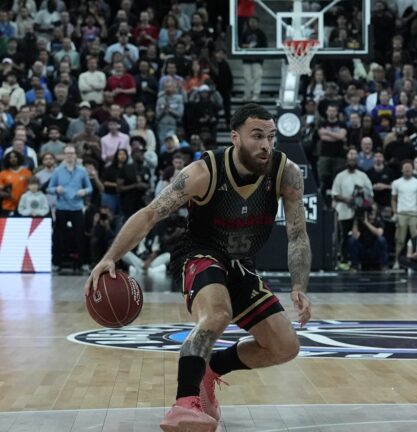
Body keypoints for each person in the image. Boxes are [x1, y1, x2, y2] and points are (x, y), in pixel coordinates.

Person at [85, 104, 312, 431]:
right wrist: (110, 257)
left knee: (285, 346)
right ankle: (184, 402)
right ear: (235, 138)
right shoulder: (203, 172)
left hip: (241, 263)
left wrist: (299, 286)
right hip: (199, 252)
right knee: (217, 314)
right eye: (257, 136)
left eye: (271, 137)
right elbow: (150, 214)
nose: (266, 145)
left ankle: (211, 368)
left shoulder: (285, 172)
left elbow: (297, 232)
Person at [48, 145, 93, 273]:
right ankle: (57, 263)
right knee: (58, 236)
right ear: (64, 155)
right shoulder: (57, 171)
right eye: (67, 153)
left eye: (72, 153)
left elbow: (90, 188)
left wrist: (84, 191)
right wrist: (57, 190)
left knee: (80, 236)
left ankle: (81, 263)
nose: (70, 156)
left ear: (75, 155)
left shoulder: (82, 171)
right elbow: (49, 189)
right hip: (62, 207)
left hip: (77, 207)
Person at [391, 159, 417, 266]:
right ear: (402, 170)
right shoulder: (396, 183)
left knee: (416, 239)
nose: (407, 170)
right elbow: (393, 199)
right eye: (405, 168)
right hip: (401, 213)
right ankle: (397, 261)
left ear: (412, 169)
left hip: (414, 213)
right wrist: (395, 212)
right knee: (399, 239)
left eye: (409, 168)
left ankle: (416, 261)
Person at [348, 207, 387, 271]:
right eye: (370, 213)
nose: (372, 214)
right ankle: (354, 265)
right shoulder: (360, 222)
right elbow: (354, 236)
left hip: (374, 250)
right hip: (363, 250)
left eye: (373, 213)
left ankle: (383, 265)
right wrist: (355, 222)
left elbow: (379, 233)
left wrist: (366, 223)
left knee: (381, 240)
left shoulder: (378, 221)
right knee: (351, 240)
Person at [0, 150, 33, 216]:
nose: (13, 159)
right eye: (10, 157)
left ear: (19, 158)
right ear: (7, 160)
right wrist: (8, 195)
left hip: (25, 206)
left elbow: (33, 188)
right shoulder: (3, 174)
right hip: (8, 207)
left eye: (15, 157)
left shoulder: (27, 172)